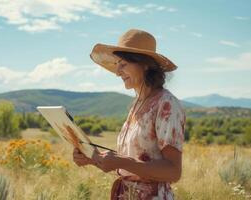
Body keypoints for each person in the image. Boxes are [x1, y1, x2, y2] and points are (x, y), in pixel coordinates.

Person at [73, 29, 186, 200]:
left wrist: (122, 162)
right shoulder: (137, 104)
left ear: (145, 64)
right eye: (117, 64)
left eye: (123, 64)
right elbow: (130, 163)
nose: (117, 72)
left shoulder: (166, 104)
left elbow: (173, 171)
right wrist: (92, 157)